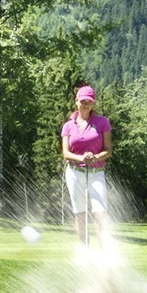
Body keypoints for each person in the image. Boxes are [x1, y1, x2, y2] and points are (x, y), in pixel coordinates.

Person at [59, 84, 113, 244]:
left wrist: (94, 157)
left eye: (89, 101)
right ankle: (84, 251)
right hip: (75, 173)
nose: (85, 104)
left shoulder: (102, 122)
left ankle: (104, 252)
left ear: (93, 103)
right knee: (80, 213)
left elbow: (108, 150)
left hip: (96, 173)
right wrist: (81, 158)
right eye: (82, 101)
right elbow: (66, 153)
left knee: (100, 213)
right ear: (76, 102)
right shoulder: (68, 126)